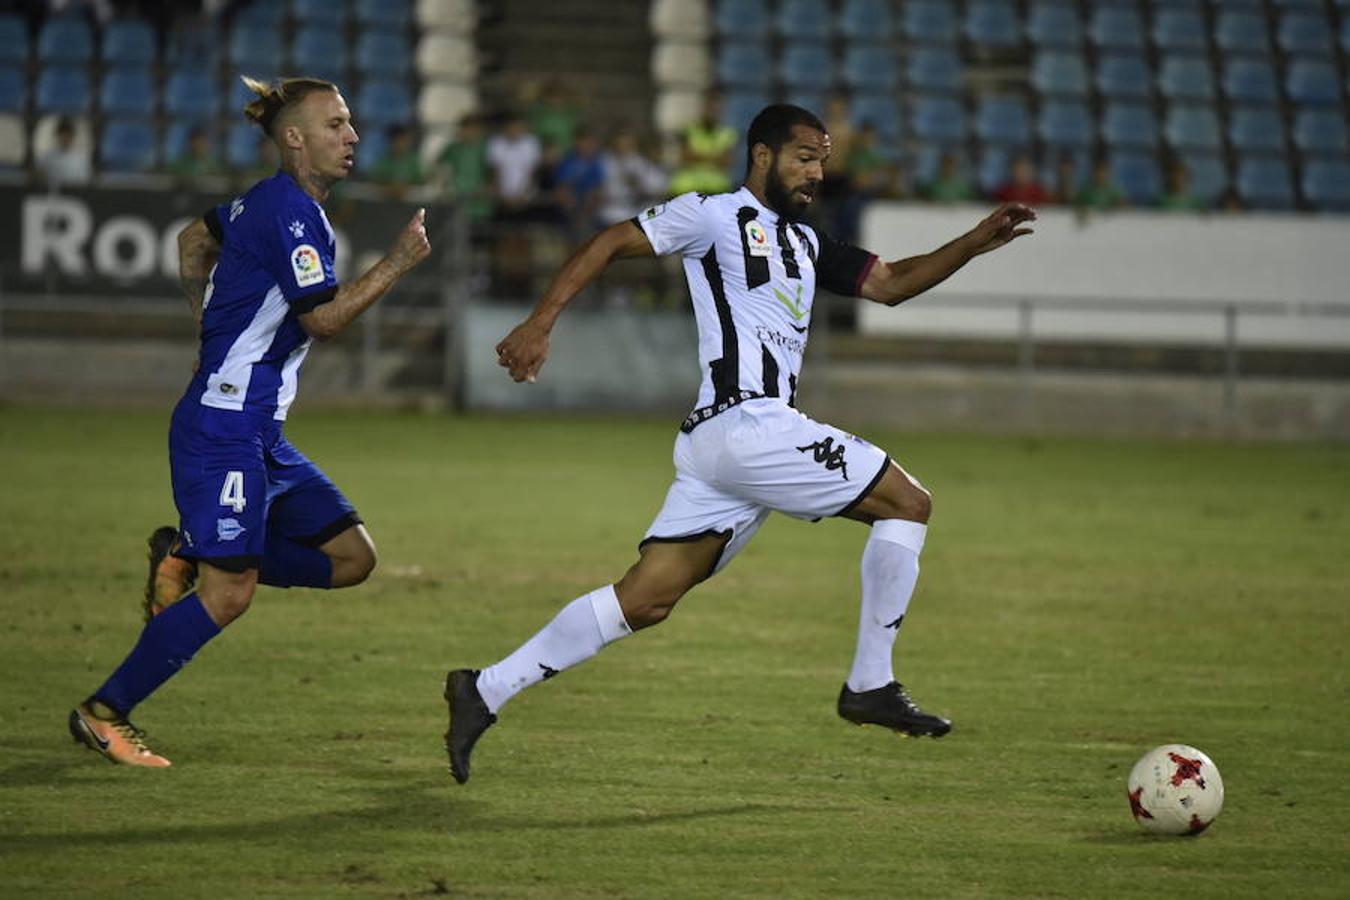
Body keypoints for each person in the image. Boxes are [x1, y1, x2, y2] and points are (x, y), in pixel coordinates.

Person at [443, 104, 1036, 784]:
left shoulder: (810, 246)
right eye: (804, 157)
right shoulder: (713, 215)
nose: (817, 171)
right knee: (908, 503)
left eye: (822, 159)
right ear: (762, 155)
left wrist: (972, 241)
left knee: (645, 600)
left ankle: (482, 689)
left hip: (721, 448)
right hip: (748, 427)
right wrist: (540, 322)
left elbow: (894, 283)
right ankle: (871, 683)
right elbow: (609, 241)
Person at [68, 75, 431, 767]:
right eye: (335, 124)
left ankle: (190, 552)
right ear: (293, 137)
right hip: (223, 429)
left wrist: (203, 320)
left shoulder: (266, 204)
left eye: (350, 123)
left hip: (259, 431)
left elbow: (189, 242)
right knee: (228, 596)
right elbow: (320, 318)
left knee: (352, 559)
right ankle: (104, 711)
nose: (352, 135)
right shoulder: (290, 213)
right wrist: (398, 262)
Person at [669, 93, 738, 196]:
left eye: (715, 108)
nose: (711, 112)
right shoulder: (688, 129)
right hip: (687, 188)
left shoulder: (728, 133)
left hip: (717, 189)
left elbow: (726, 162)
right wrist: (715, 157)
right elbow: (685, 158)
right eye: (708, 108)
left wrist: (698, 155)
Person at [368, 122, 425, 199]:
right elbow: (375, 184)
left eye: (403, 140)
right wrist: (391, 190)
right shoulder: (383, 161)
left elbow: (421, 183)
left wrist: (406, 190)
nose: (400, 144)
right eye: (397, 141)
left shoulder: (413, 162)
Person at [37, 116, 92, 187]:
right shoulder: (48, 157)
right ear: (57, 136)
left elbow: (85, 181)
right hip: (54, 193)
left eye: (68, 136)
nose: (65, 139)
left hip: (75, 192)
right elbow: (40, 176)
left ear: (72, 136)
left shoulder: (81, 159)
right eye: (62, 135)